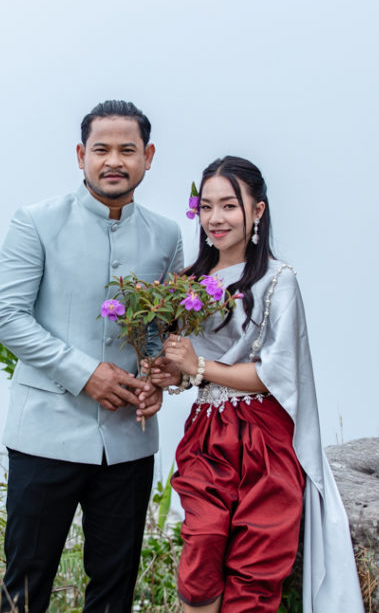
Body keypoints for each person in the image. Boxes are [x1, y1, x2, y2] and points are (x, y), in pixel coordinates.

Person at [0, 100, 184, 612]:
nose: (113, 161)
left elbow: (162, 329)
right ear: (81, 156)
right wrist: (86, 373)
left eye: (127, 149)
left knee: (115, 591)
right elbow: (6, 317)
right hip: (44, 434)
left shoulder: (166, 235)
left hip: (128, 442)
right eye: (101, 149)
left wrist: (157, 379)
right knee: (25, 588)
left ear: (148, 157)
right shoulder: (36, 222)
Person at [147, 156, 365, 612]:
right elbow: (186, 368)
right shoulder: (187, 283)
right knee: (202, 545)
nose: (216, 218)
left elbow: (273, 375)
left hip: (264, 435)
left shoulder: (278, 281)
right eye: (207, 207)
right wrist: (171, 374)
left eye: (229, 205)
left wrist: (199, 366)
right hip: (208, 434)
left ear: (257, 210)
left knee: (257, 565)